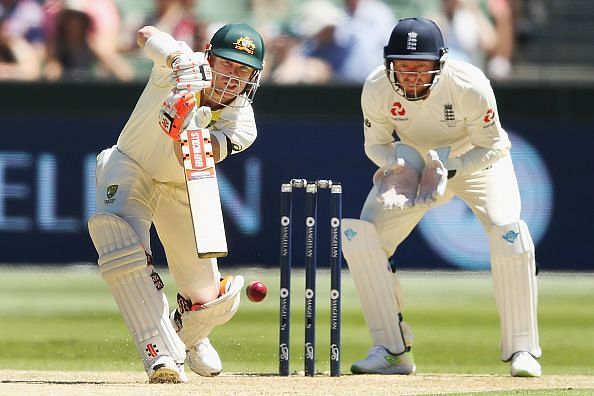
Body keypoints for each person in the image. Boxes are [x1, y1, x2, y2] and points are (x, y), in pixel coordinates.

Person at [341, 17, 541, 377]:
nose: (411, 77)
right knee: (361, 237)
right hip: (413, 161)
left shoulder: (469, 84)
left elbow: (494, 146)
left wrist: (451, 167)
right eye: (403, 67)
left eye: (421, 68)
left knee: (509, 232)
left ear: (440, 64)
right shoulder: (375, 87)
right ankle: (391, 351)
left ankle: (523, 350)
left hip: (474, 162)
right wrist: (398, 165)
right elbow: (375, 144)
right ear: (390, 65)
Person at [87, 22, 265, 383]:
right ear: (209, 56)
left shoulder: (242, 121)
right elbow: (145, 33)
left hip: (184, 183)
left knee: (213, 301)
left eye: (243, 71)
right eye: (227, 64)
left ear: (254, 78)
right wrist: (177, 60)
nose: (232, 78)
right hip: (130, 165)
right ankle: (161, 356)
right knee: (123, 250)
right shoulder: (181, 63)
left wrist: (183, 126)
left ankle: (190, 334)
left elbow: (199, 154)